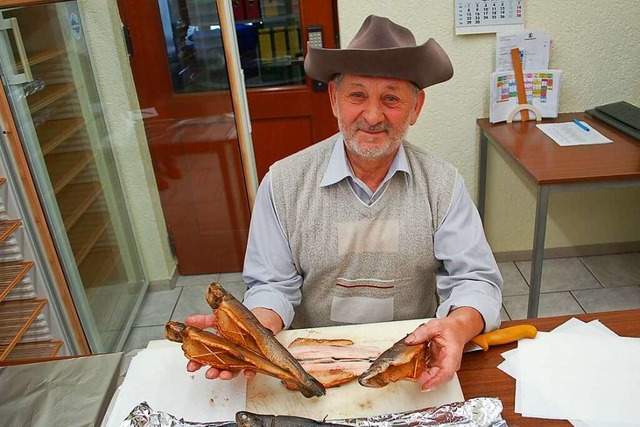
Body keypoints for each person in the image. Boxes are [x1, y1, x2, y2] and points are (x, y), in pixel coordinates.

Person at [185, 15, 503, 392]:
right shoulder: (284, 183)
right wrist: (251, 330)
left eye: (391, 99)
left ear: (415, 108)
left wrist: (457, 325)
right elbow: (272, 285)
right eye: (357, 95)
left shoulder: (443, 184)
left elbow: (475, 279)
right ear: (335, 100)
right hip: (312, 365)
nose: (372, 116)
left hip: (408, 365)